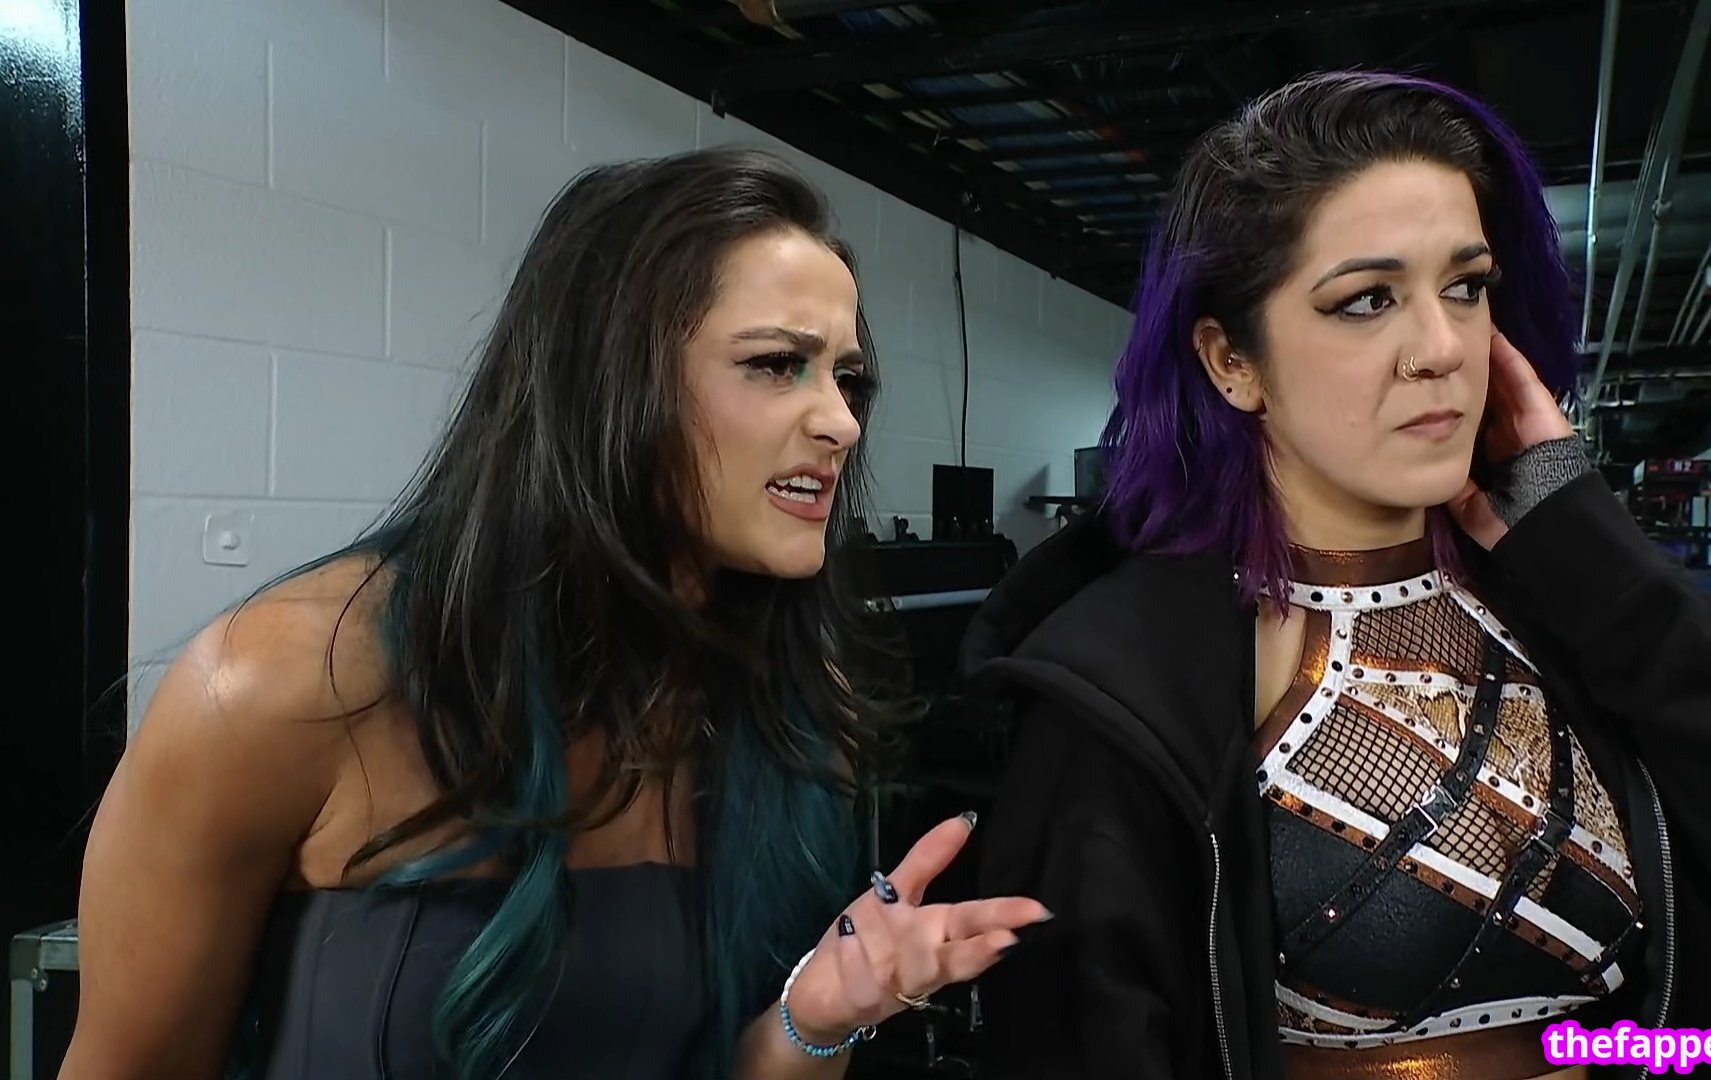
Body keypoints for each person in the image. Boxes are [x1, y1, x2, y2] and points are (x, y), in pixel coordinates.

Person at [961, 71, 1711, 1080]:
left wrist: (1596, 557)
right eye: (1365, 300)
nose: (1442, 348)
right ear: (1232, 361)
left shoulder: (1565, 611)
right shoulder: (1120, 685)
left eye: (1465, 287)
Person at [64, 147, 1047, 1080]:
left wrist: (813, 1020)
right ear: (607, 376)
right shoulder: (288, 681)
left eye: (846, 378)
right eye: (774, 363)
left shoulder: (787, 704)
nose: (839, 421)